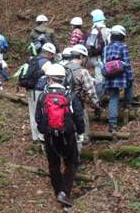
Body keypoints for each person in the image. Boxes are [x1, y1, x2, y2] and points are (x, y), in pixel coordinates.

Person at [35, 64, 85, 209]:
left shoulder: (43, 96)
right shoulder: (69, 95)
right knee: (72, 163)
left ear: (49, 78)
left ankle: (59, 192)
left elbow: (38, 117)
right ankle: (65, 192)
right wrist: (80, 132)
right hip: (68, 135)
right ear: (63, 78)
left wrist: (42, 130)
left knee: (53, 165)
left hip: (49, 136)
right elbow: (79, 116)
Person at [65, 44, 100, 146]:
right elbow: (91, 92)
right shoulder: (82, 72)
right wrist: (96, 106)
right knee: (81, 132)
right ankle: (79, 154)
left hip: (62, 106)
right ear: (81, 57)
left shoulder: (62, 68)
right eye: (85, 58)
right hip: (78, 106)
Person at [104, 25, 134, 133]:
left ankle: (112, 125)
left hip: (109, 76)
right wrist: (130, 77)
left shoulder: (107, 47)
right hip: (121, 77)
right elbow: (127, 64)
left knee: (113, 98)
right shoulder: (123, 47)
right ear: (122, 36)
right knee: (130, 83)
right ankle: (128, 103)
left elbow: (105, 63)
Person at [25, 43, 56, 142]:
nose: (52, 56)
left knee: (32, 113)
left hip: (30, 89)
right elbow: (52, 77)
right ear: (48, 53)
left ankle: (35, 137)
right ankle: (41, 136)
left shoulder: (34, 59)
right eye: (52, 54)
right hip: (39, 91)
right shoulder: (46, 63)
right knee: (40, 113)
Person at [86, 10, 110, 101]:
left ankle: (96, 96)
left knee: (96, 77)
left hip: (91, 58)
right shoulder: (106, 30)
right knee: (100, 79)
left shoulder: (93, 30)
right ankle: (99, 99)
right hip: (100, 58)